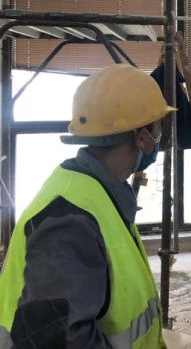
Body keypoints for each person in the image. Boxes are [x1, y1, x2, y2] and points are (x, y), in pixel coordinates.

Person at [0, 64, 175, 348]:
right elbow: (56, 341)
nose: (159, 137)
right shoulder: (71, 223)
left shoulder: (94, 191)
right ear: (141, 137)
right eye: (157, 128)